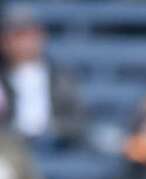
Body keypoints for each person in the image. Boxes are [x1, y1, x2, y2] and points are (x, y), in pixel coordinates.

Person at [0, 3, 85, 144]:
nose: (25, 42)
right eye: (18, 35)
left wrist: (54, 129)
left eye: (30, 34)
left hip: (56, 148)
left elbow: (78, 120)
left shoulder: (61, 77)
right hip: (9, 150)